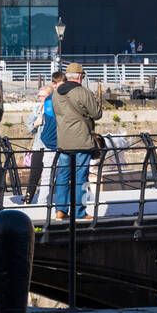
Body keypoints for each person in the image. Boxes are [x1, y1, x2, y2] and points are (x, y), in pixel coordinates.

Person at [51, 62, 103, 220]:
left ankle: (60, 210)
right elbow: (97, 114)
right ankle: (79, 212)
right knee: (81, 176)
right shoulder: (83, 92)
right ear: (80, 76)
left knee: (62, 175)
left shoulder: (56, 94)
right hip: (81, 140)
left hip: (63, 141)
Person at [26, 71, 64, 204]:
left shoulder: (53, 105)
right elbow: (29, 128)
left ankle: (52, 200)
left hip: (49, 143)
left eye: (42, 96)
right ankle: (28, 199)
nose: (40, 98)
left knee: (52, 174)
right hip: (38, 145)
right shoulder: (36, 109)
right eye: (38, 96)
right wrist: (36, 123)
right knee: (35, 174)